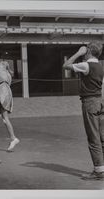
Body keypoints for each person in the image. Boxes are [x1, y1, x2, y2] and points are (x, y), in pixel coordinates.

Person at [63, 41, 104, 180]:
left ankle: (99, 171)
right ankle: (101, 169)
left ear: (88, 52)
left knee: (93, 137)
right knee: (102, 137)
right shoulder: (101, 66)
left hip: (90, 102)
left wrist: (79, 53)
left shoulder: (86, 65)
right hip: (100, 102)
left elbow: (65, 65)